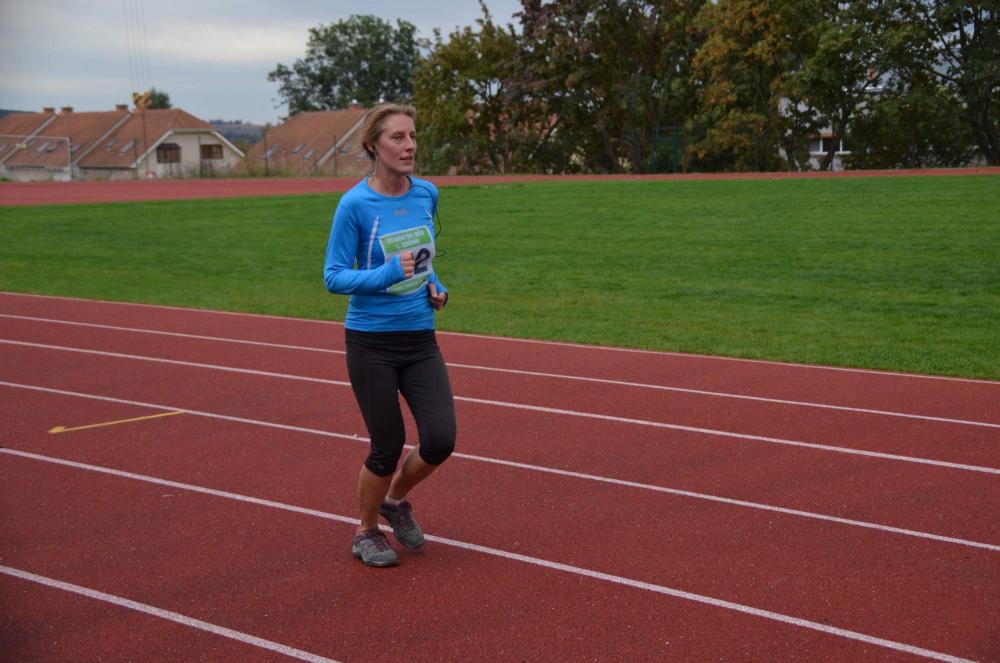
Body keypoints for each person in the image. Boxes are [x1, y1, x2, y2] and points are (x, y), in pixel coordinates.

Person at [323, 103, 456, 568]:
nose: (410, 146)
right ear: (372, 145)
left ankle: (394, 500)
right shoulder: (354, 205)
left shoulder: (426, 194)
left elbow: (422, 256)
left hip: (419, 338)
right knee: (386, 445)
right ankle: (365, 532)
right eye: (398, 137)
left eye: (413, 136)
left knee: (440, 439)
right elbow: (334, 276)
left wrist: (435, 285)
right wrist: (385, 274)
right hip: (371, 342)